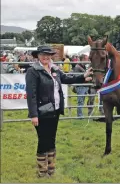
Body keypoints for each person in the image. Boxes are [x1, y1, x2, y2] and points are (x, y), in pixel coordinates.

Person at [25, 46, 92, 177]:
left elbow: (66, 78)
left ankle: (51, 169)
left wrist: (83, 77)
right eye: (43, 54)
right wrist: (34, 115)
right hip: (41, 111)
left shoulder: (54, 69)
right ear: (38, 55)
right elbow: (31, 94)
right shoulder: (33, 71)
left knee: (51, 139)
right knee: (43, 140)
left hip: (55, 110)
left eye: (48, 55)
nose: (46, 57)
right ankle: (42, 171)